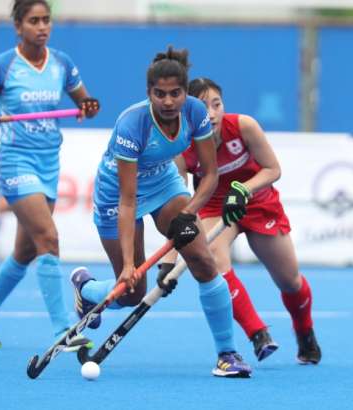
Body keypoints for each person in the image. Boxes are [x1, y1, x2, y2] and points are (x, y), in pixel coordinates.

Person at [70, 46, 252, 378]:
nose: (168, 101)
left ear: (185, 92)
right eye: (160, 94)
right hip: (117, 195)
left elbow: (209, 176)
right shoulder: (132, 124)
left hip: (164, 183)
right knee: (130, 292)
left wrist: (189, 213)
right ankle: (87, 289)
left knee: (202, 259)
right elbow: (127, 202)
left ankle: (227, 354)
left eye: (175, 93)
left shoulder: (196, 112)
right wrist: (128, 265)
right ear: (148, 93)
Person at [0, 0, 100, 350]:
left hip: (48, 162)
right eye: (34, 21)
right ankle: (62, 330)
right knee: (49, 239)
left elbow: (84, 101)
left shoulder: (62, 63)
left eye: (46, 20)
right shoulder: (2, 66)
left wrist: (89, 105)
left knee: (25, 251)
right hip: (15, 162)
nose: (42, 27)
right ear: (18, 27)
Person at [175, 77, 321, 364]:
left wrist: (243, 189)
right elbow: (182, 201)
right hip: (215, 206)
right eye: (204, 107)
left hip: (257, 201)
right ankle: (257, 334)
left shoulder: (244, 126)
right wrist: (171, 257)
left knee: (290, 281)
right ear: (190, 112)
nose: (212, 113)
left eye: (216, 104)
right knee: (214, 261)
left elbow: (272, 169)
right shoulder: (182, 148)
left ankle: (304, 332)